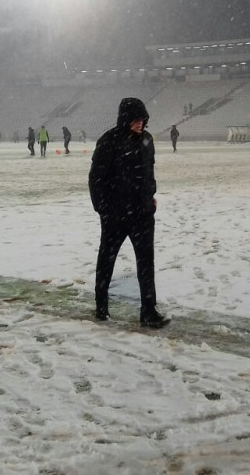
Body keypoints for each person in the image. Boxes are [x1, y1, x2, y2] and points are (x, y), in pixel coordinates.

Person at [88, 97, 169, 329]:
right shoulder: (109, 141)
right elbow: (96, 178)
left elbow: (148, 172)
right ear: (125, 119)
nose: (140, 123)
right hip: (115, 215)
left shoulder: (147, 140)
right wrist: (103, 209)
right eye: (135, 119)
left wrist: (150, 195)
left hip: (142, 213)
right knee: (107, 259)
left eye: (142, 119)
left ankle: (148, 310)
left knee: (146, 262)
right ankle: (101, 306)